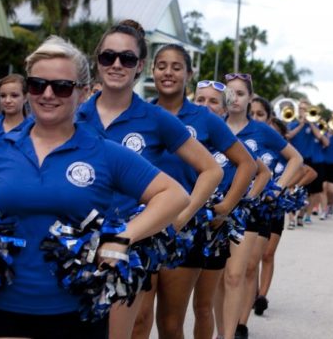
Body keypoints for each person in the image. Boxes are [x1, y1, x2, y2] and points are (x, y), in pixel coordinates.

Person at [0, 35, 190, 339]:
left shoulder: (104, 152)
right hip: (1, 310)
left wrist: (123, 237)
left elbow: (174, 195)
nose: (48, 94)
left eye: (62, 86)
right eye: (38, 84)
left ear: (82, 93)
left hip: (76, 312)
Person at [76, 21, 223, 339]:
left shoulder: (157, 118)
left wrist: (181, 216)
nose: (116, 64)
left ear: (140, 65)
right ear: (97, 60)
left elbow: (212, 170)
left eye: (127, 58)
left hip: (128, 246)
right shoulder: (73, 115)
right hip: (72, 244)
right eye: (108, 57)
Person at [133, 45, 254, 339]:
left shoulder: (205, 118)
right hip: (141, 227)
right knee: (138, 319)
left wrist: (224, 208)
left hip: (183, 230)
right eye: (162, 66)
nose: (168, 72)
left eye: (177, 67)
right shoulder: (138, 113)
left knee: (171, 324)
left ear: (189, 73)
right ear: (152, 70)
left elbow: (247, 165)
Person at [215, 73, 302, 339]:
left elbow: (295, 159)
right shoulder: (214, 125)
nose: (235, 99)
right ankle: (220, 329)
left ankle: (231, 333)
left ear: (250, 98)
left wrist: (275, 189)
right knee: (217, 279)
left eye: (240, 94)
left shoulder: (262, 130)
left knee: (235, 275)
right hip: (215, 210)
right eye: (230, 93)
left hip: (247, 212)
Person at [191, 80, 262, 339]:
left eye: (213, 102)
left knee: (208, 300)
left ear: (223, 110)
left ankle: (227, 335)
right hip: (183, 227)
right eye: (200, 100)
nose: (206, 106)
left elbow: (260, 171)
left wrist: (233, 203)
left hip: (217, 227)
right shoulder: (183, 136)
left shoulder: (227, 140)